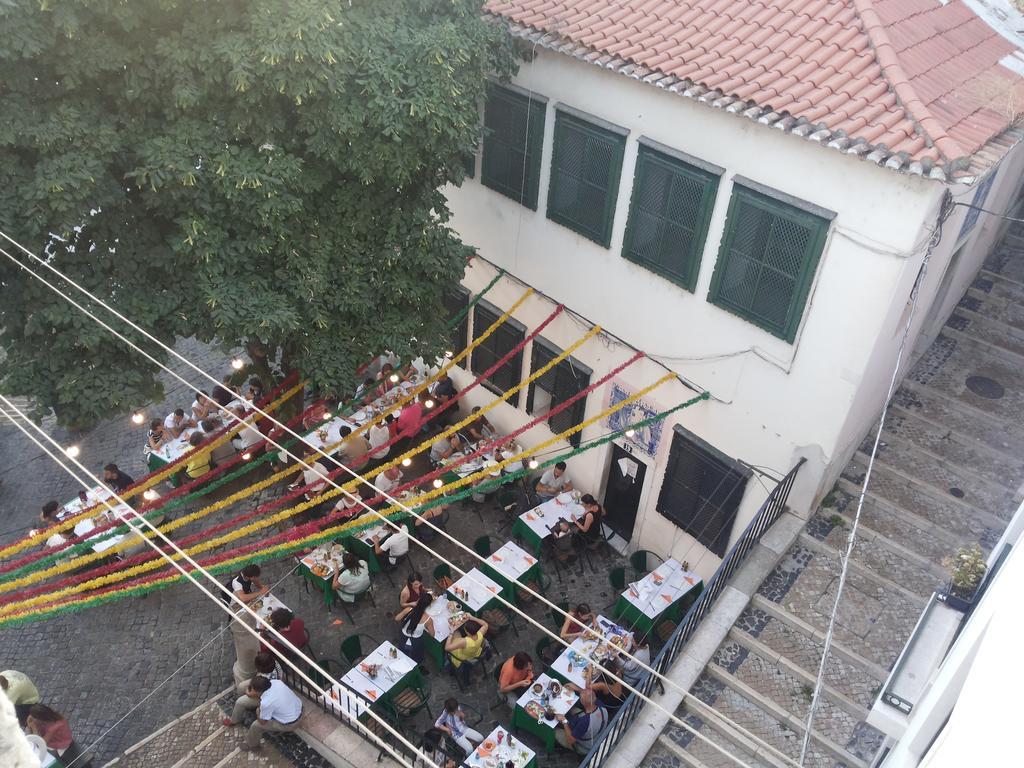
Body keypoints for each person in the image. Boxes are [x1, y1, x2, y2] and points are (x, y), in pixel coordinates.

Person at [223, 676, 302, 750]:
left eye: (252, 689)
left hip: (291, 723)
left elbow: (263, 721)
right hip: (298, 708)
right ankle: (234, 720)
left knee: (256, 725)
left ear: (258, 692)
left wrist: (258, 711)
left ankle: (252, 745)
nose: (250, 690)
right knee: (240, 702)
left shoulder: (266, 703)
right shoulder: (277, 682)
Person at [554, 689, 609, 754]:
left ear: (582, 703)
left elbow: (571, 740)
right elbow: (589, 696)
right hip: (595, 732)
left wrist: (564, 721)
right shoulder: (601, 706)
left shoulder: (585, 722)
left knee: (555, 731)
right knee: (572, 709)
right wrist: (576, 689)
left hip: (584, 746)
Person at [395, 593, 435, 670]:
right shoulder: (428, 620)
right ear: (429, 606)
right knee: (417, 656)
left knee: (403, 652)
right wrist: (425, 628)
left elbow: (397, 618)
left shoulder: (408, 610)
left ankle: (402, 663)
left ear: (418, 600)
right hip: (416, 641)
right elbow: (432, 634)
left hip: (403, 636)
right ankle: (414, 667)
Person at [444, 618, 489, 685]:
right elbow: (485, 624)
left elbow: (447, 648)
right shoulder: (480, 634)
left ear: (468, 633)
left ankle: (448, 666)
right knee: (457, 633)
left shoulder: (465, 642)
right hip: (475, 652)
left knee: (455, 635)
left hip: (464, 657)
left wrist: (451, 632)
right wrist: (472, 617)